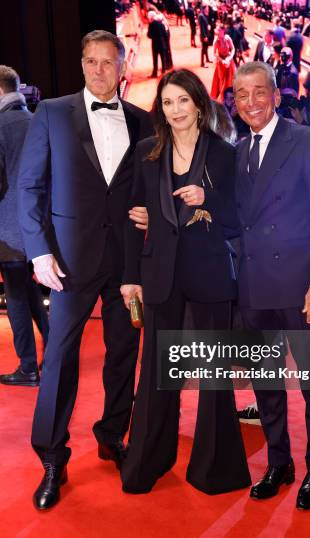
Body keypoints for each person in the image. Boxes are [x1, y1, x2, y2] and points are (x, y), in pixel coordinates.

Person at [18, 30, 153, 510]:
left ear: (123, 67)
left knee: (123, 354)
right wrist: (38, 252)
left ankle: (112, 433)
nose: (99, 70)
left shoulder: (143, 121)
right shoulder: (52, 113)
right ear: (81, 64)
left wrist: (153, 213)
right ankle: (52, 456)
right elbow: (28, 188)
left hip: (128, 263)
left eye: (107, 62)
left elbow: (151, 187)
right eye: (91, 62)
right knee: (59, 359)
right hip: (68, 262)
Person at [120, 68, 250, 495]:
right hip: (159, 275)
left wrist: (207, 198)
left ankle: (215, 469)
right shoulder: (145, 152)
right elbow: (131, 217)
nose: (174, 110)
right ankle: (149, 462)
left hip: (210, 274)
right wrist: (130, 278)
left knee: (213, 373)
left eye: (182, 101)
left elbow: (238, 220)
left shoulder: (224, 154)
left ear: (198, 104)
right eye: (167, 102)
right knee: (158, 374)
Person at [233, 62, 310, 510]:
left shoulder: (306, 140)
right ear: (234, 102)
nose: (252, 102)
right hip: (254, 287)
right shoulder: (236, 151)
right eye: (242, 95)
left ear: (276, 96)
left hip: (301, 287)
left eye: (260, 93)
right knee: (265, 382)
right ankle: (280, 462)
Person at [0, 65, 49, 387]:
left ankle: (28, 367)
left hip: (7, 226)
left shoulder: (0, 125)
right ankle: (55, 352)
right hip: (38, 226)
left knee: (15, 294)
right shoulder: (37, 121)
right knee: (28, 290)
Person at [210, 26, 236, 101]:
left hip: (229, 61)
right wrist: (222, 60)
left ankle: (231, 97)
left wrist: (229, 58)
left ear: (223, 31)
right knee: (221, 80)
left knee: (231, 79)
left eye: (221, 31)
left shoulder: (228, 38)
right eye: (218, 31)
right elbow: (214, 54)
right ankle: (222, 97)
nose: (220, 33)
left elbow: (233, 49)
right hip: (221, 63)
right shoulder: (216, 41)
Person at [147, 11, 168, 78]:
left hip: (155, 44)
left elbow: (149, 35)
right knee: (163, 58)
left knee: (155, 60)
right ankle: (164, 71)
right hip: (162, 43)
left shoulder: (151, 24)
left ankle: (155, 73)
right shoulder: (161, 24)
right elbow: (165, 34)